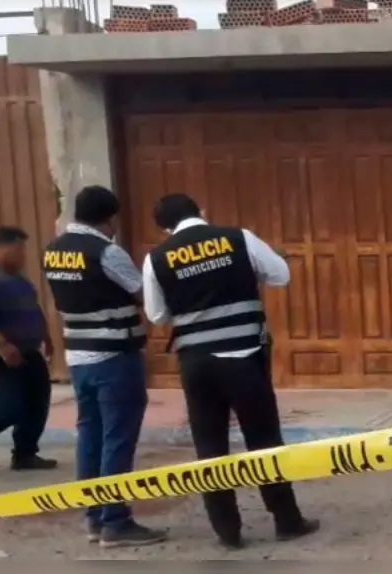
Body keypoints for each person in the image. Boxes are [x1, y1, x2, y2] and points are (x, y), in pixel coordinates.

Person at [141, 193, 317, 549]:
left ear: (164, 228)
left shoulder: (156, 258)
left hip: (197, 363)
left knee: (210, 445)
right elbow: (281, 275)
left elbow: (157, 316)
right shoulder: (239, 238)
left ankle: (228, 531)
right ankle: (286, 520)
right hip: (244, 356)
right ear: (201, 212)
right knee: (264, 440)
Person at [42, 186, 167, 548]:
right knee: (118, 437)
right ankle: (116, 520)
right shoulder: (106, 252)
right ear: (109, 218)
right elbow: (144, 293)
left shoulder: (54, 251)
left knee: (91, 436)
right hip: (114, 356)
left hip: (79, 358)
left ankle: (95, 518)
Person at [0, 226, 57, 470]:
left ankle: (25, 453)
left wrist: (46, 336)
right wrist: (2, 345)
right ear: (7, 247)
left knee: (37, 401)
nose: (24, 256)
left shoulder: (17, 278)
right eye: (21, 249)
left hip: (28, 351)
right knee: (9, 406)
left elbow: (33, 308)